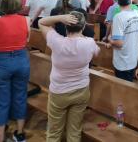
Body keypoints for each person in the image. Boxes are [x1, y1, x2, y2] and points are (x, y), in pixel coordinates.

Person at [38, 12, 99, 142]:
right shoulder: (89, 43)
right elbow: (96, 54)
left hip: (59, 92)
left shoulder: (57, 41)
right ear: (83, 28)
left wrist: (60, 18)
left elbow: (41, 22)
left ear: (66, 26)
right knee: (74, 130)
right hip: (81, 90)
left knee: (54, 131)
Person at [0, 0, 30, 142]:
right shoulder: (26, 20)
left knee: (1, 102)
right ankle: (19, 133)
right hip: (21, 60)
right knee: (20, 97)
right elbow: (27, 40)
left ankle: (0, 139)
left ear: (3, 6)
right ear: (18, 5)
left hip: (2, 61)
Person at [106, 0, 138, 81]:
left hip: (122, 61)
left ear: (118, 2)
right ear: (130, 0)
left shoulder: (118, 17)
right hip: (133, 58)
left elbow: (119, 43)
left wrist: (109, 39)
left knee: (121, 90)